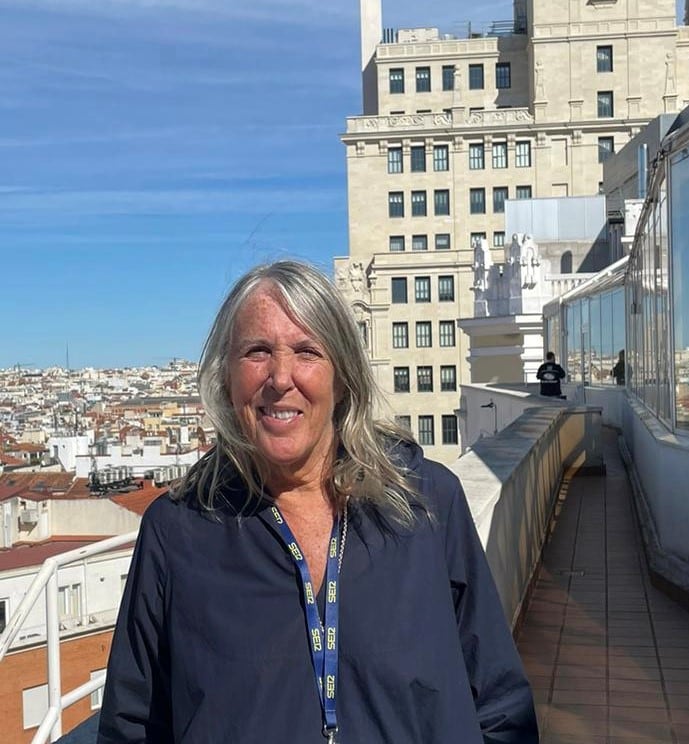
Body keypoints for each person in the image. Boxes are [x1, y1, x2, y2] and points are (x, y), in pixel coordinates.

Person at [97, 260, 538, 744]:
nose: (280, 377)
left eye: (306, 351)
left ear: (342, 376)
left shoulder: (425, 504)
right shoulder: (180, 530)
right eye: (257, 351)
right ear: (226, 378)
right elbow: (132, 726)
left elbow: (500, 704)